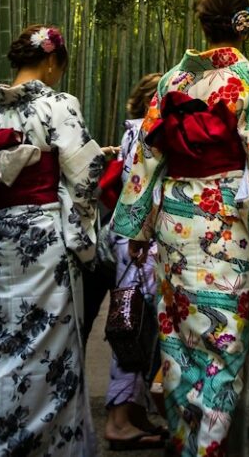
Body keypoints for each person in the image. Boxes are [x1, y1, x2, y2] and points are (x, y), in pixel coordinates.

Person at [112, 0, 249, 457]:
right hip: (225, 222)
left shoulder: (171, 82)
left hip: (173, 221)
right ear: (243, 25)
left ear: (204, 25)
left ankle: (191, 442)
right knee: (222, 344)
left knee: (180, 342)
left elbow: (146, 159)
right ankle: (205, 449)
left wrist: (137, 228)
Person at [0, 25, 105, 457]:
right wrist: (82, 229)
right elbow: (86, 176)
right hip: (43, 238)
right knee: (48, 345)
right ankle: (47, 447)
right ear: (50, 61)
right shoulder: (59, 104)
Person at [104, 72, 167, 450]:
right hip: (138, 241)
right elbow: (142, 190)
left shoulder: (132, 134)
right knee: (133, 326)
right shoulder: (146, 135)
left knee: (140, 328)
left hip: (131, 237)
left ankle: (136, 414)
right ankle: (118, 419)